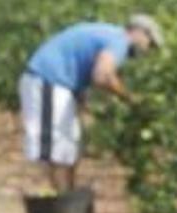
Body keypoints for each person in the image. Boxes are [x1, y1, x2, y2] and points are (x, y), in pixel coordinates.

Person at [21, 14, 163, 193]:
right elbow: (102, 75)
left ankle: (66, 199)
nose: (146, 51)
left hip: (60, 86)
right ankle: (58, 204)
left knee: (68, 147)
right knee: (55, 147)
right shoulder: (119, 40)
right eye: (149, 45)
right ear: (140, 33)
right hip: (48, 80)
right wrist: (130, 99)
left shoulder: (109, 35)